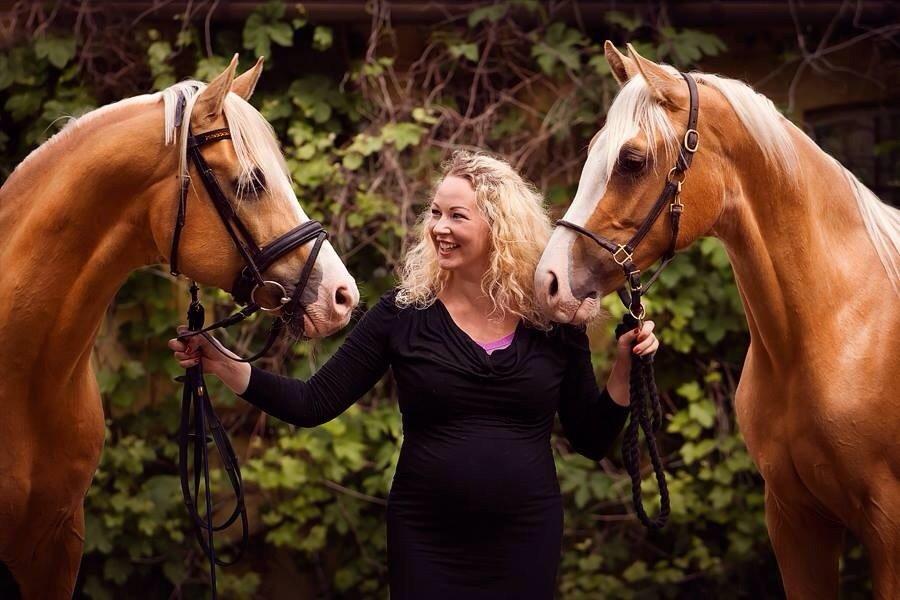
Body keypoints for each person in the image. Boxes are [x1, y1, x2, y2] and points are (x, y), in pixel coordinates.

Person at [169, 151, 659, 599]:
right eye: (435, 213)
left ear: (500, 227)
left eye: (457, 215)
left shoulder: (553, 323)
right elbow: (313, 403)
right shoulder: (401, 315)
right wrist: (223, 364)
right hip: (427, 538)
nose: (439, 227)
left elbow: (591, 438)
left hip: (525, 536)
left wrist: (624, 365)